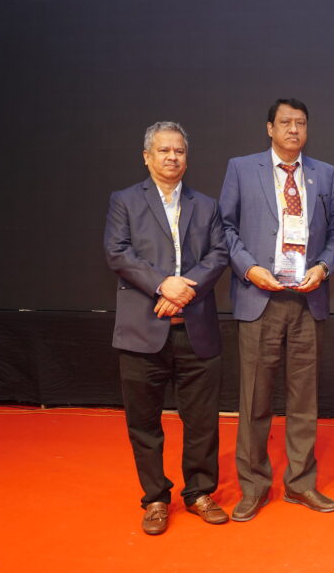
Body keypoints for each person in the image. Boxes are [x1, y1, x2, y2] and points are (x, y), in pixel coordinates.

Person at [103, 121, 229, 535]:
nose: (172, 157)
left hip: (196, 330)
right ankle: (156, 498)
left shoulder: (207, 205)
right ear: (147, 157)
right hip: (142, 332)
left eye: (179, 151)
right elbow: (117, 252)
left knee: (202, 421)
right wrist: (162, 284)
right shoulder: (124, 201)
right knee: (144, 422)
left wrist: (182, 292)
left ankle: (200, 493)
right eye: (163, 150)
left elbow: (218, 254)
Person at [219, 98, 334, 521]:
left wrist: (324, 267)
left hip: (308, 299)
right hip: (260, 298)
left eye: (300, 123)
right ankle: (253, 487)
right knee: (254, 400)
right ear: (269, 128)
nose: (293, 129)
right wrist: (249, 268)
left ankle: (300, 484)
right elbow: (225, 227)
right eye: (285, 122)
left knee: (304, 400)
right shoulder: (241, 168)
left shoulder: (325, 174)